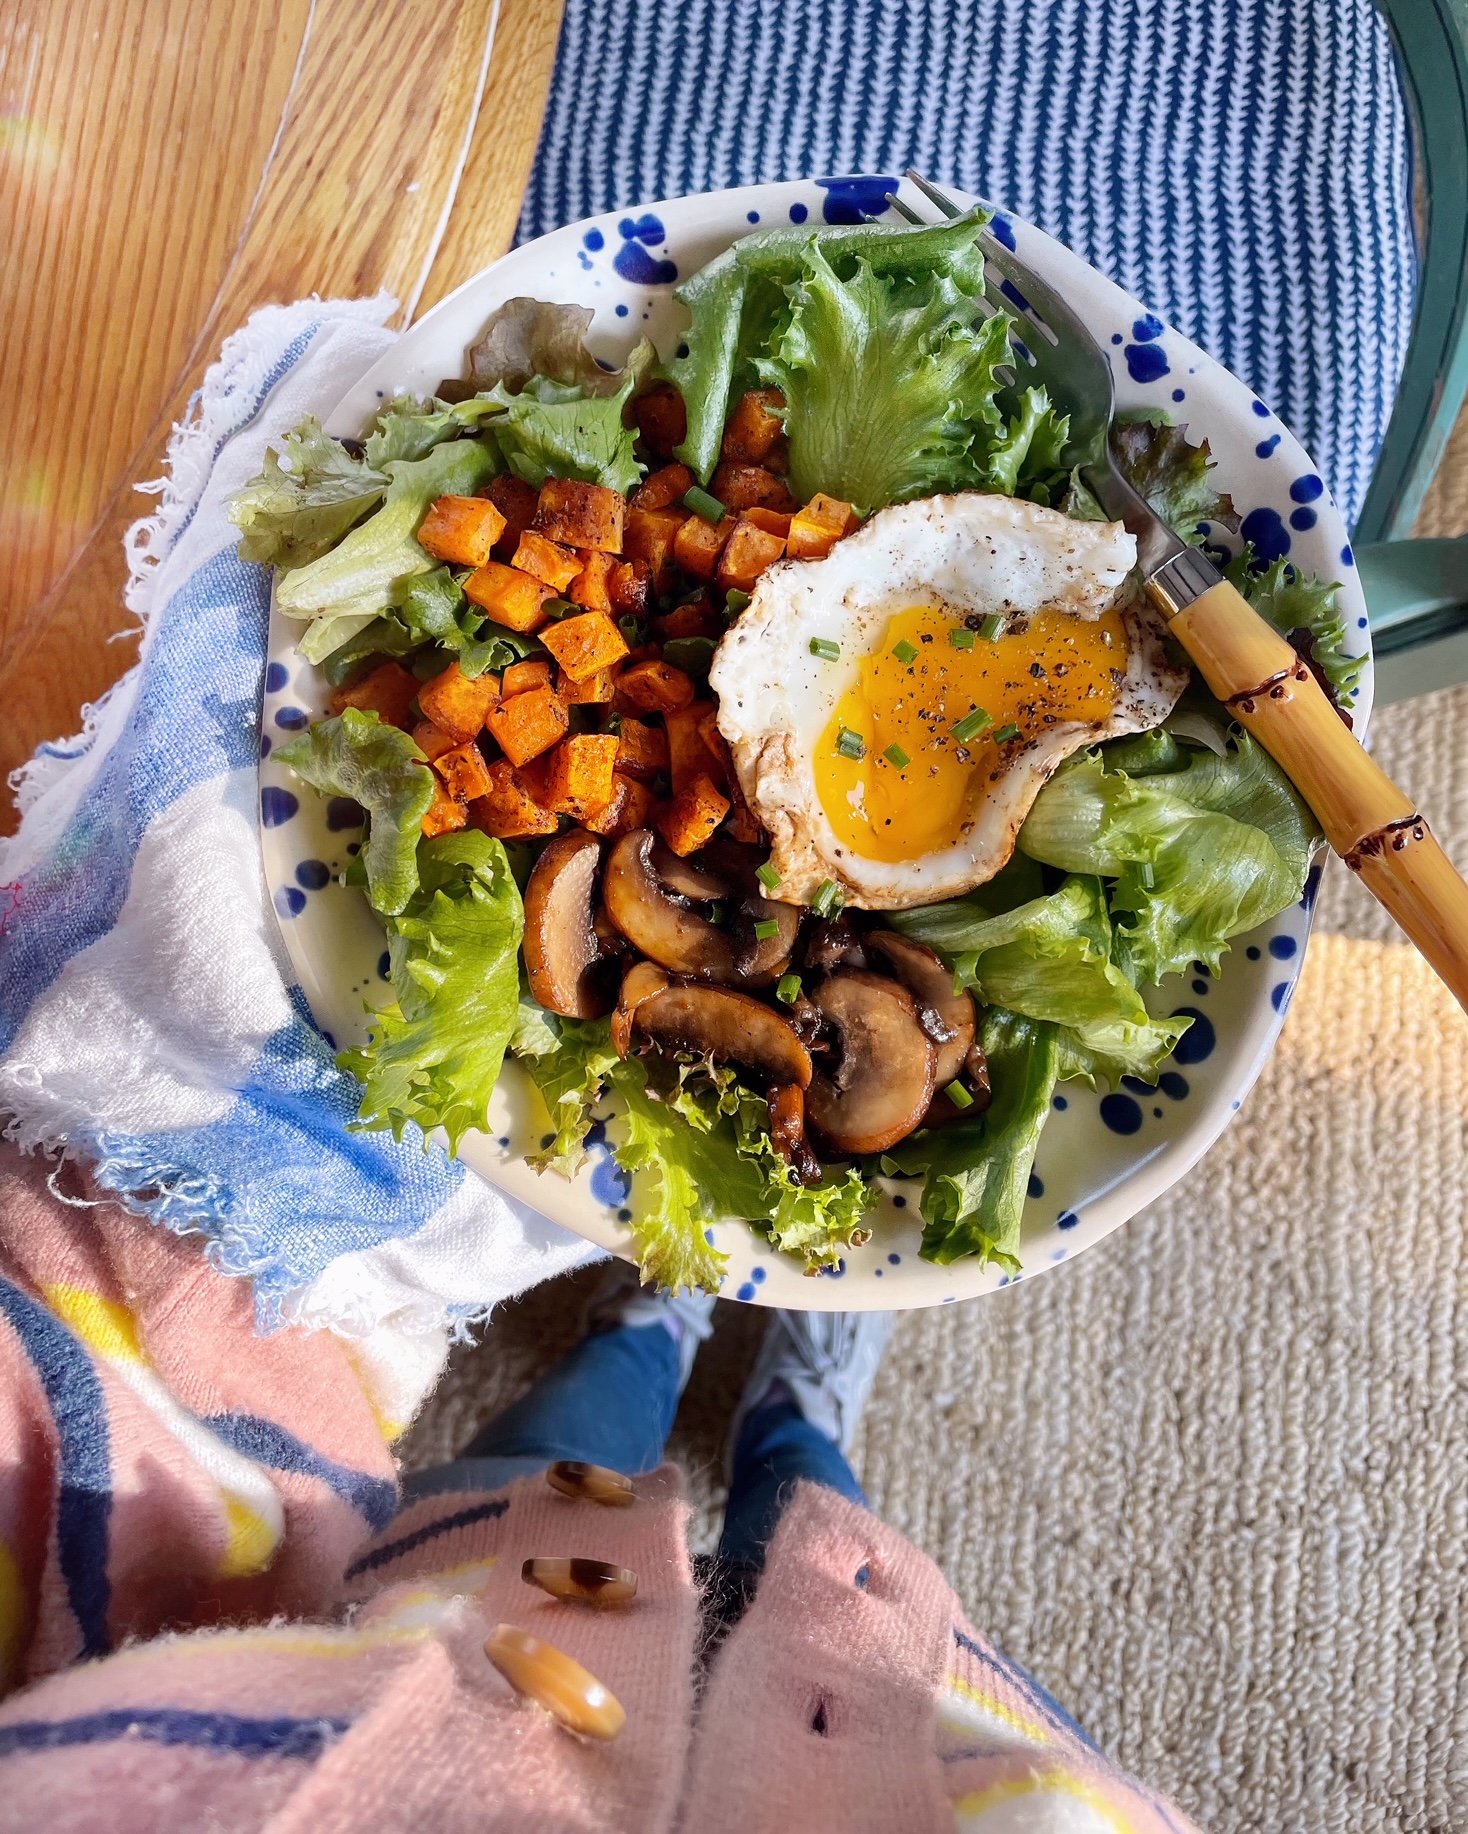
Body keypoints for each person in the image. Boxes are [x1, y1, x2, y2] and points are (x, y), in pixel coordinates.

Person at [0, 1150, 1196, 1831]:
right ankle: (786, 1401)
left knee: (567, 1454)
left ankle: (652, 1322)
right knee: (821, 1511)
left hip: (479, 1605)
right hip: (920, 1722)